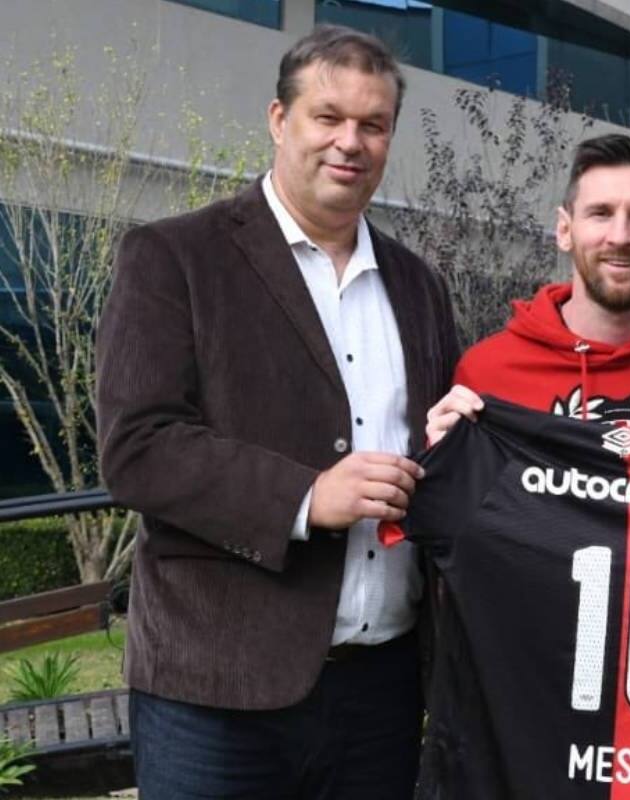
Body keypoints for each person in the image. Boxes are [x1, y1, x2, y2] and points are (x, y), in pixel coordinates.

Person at [96, 24, 458, 799]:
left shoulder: (420, 285)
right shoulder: (174, 257)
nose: (350, 142)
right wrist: (306, 497)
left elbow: (435, 454)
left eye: (373, 124)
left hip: (384, 688)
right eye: (327, 117)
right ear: (278, 119)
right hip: (217, 691)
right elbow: (138, 446)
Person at [425, 133, 630, 448]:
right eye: (600, 213)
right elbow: (464, 503)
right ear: (564, 229)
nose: (620, 236)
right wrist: (441, 455)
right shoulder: (488, 372)